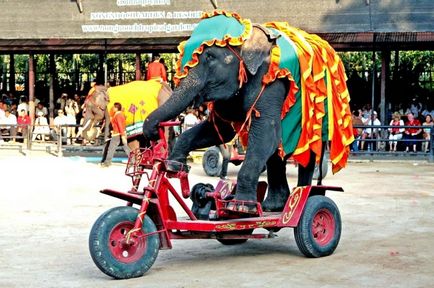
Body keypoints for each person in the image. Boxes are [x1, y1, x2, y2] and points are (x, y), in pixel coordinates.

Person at [100, 102, 130, 167]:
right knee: (126, 148)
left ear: (116, 108)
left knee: (111, 149)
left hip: (117, 134)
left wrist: (122, 135)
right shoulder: (120, 114)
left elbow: (120, 125)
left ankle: (107, 163)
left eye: (114, 107)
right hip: (119, 133)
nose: (113, 108)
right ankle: (133, 161)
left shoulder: (118, 115)